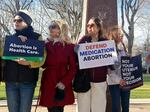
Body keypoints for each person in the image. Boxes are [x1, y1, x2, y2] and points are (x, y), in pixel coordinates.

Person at [3, 10, 43, 112]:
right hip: (11, 81)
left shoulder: (37, 38)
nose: (16, 22)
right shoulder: (10, 38)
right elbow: (2, 54)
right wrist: (16, 40)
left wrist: (29, 63)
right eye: (14, 20)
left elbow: (41, 59)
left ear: (27, 22)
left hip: (28, 82)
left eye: (19, 20)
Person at [39, 21, 77, 112]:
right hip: (49, 80)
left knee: (60, 108)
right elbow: (42, 64)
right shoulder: (45, 45)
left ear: (61, 29)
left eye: (54, 26)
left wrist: (64, 83)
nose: (50, 28)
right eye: (50, 26)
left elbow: (73, 68)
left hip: (62, 81)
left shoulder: (69, 46)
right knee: (51, 108)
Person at [76, 17, 108, 112]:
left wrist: (112, 56)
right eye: (88, 25)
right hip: (84, 80)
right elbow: (76, 59)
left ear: (98, 28)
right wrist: (75, 50)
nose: (89, 27)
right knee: (83, 108)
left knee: (99, 108)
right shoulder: (83, 40)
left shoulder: (105, 42)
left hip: (100, 81)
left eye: (92, 25)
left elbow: (111, 65)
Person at [107, 26, 130, 112]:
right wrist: (119, 80)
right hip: (114, 83)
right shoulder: (109, 50)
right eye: (119, 34)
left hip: (126, 81)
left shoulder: (124, 48)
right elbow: (109, 71)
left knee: (126, 107)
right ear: (114, 36)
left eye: (121, 34)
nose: (121, 36)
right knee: (116, 107)